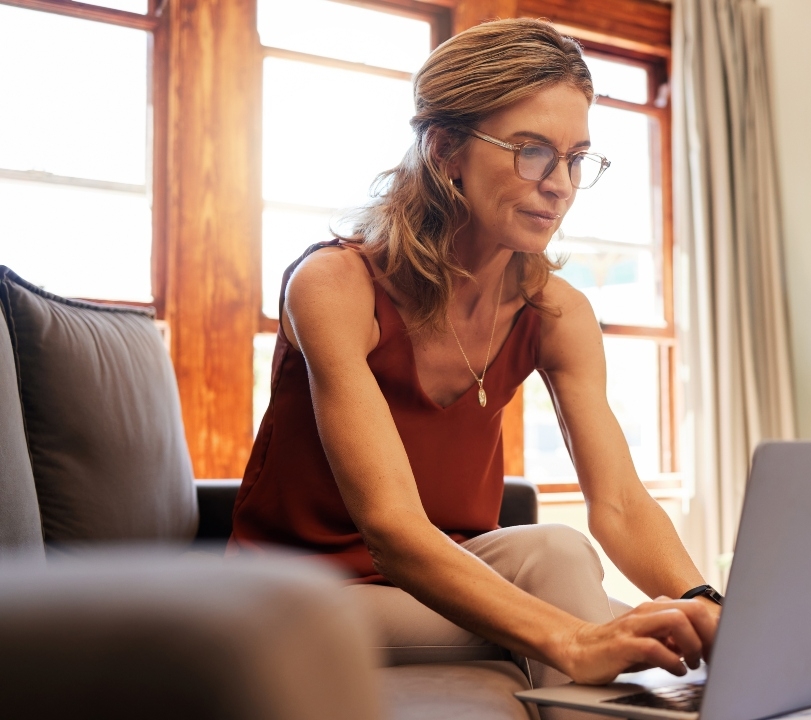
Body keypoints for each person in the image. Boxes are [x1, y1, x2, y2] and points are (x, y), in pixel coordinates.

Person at [227, 18, 719, 705]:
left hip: (454, 573)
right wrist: (576, 638)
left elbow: (620, 503)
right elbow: (392, 529)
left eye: (576, 158)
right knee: (585, 610)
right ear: (445, 150)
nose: (560, 184)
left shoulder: (555, 312)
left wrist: (705, 602)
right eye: (531, 152)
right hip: (300, 593)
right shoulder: (336, 286)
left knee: (564, 554)